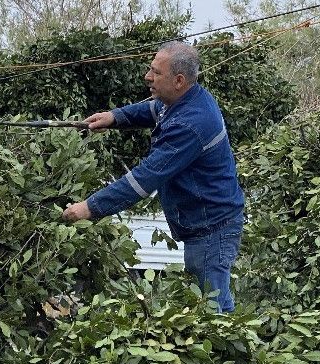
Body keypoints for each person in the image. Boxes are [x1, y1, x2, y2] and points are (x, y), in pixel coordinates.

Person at [63, 42, 244, 312]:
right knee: (216, 304)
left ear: (179, 81)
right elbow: (153, 110)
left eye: (156, 73)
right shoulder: (184, 100)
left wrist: (90, 207)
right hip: (207, 221)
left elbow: (144, 179)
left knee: (210, 311)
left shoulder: (191, 124)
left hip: (212, 227)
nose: (148, 77)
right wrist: (115, 117)